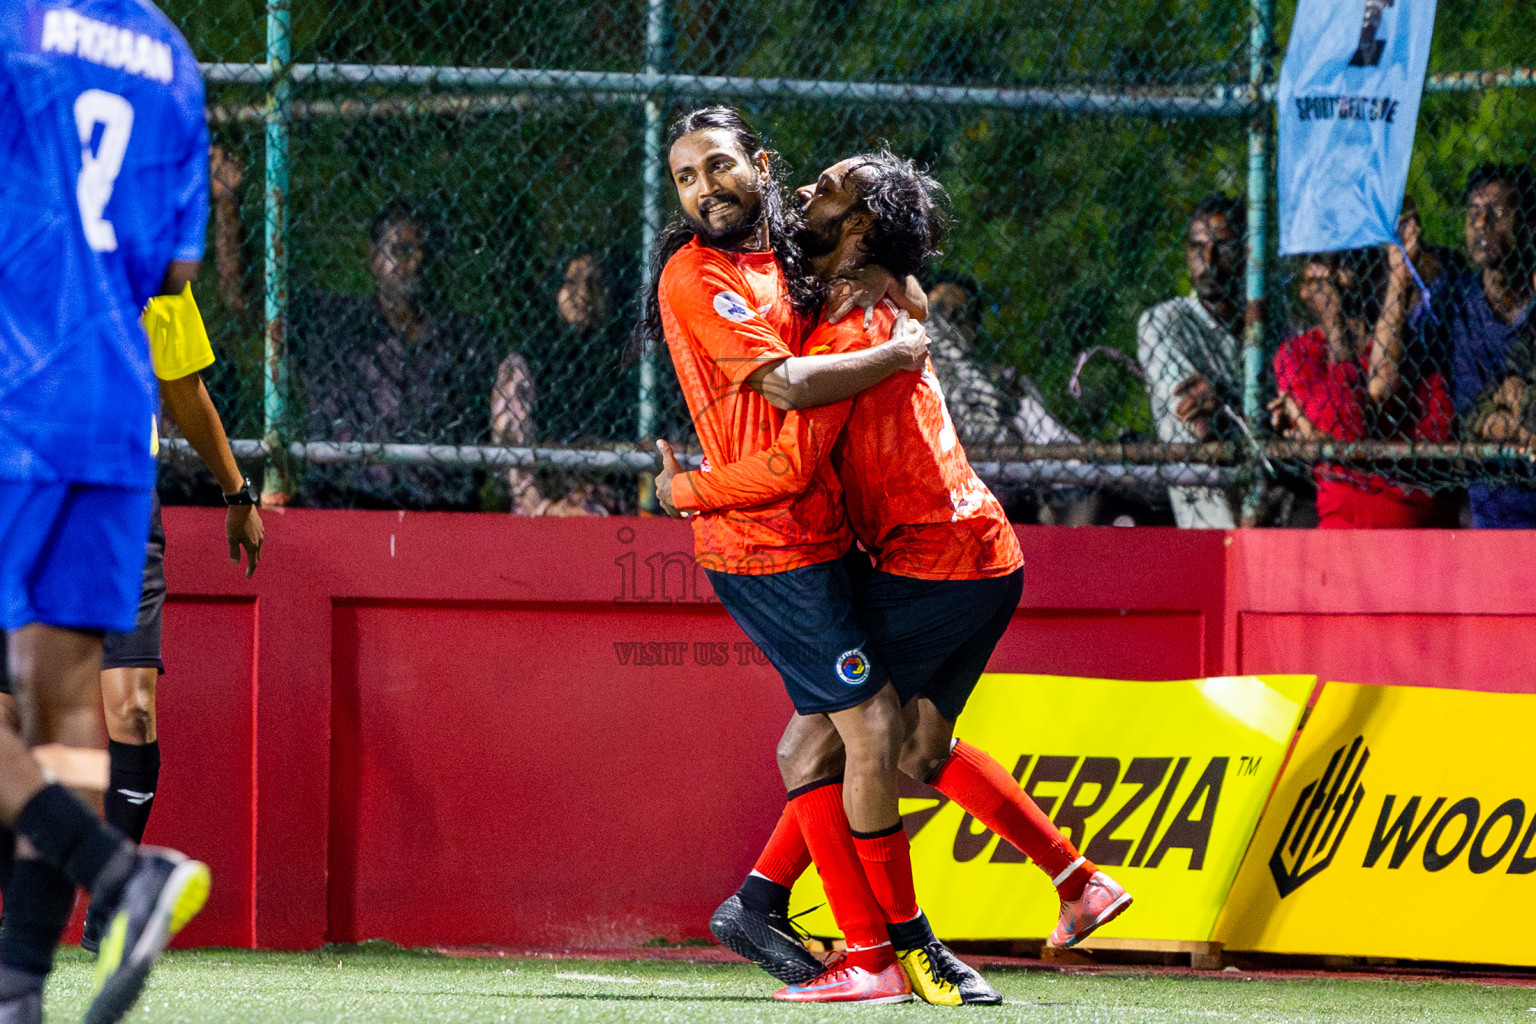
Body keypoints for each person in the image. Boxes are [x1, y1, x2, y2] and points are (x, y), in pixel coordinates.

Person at [654, 150, 1130, 1003]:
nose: (808, 188)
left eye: (829, 186)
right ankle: (1075, 880)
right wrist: (897, 295)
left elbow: (792, 448)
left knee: (819, 741)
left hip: (933, 562)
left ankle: (868, 952)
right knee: (916, 745)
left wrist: (682, 489)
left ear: (861, 226)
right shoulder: (875, 301)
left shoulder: (850, 335)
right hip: (984, 553)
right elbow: (894, 293)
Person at [639, 106, 955, 1005]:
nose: (704, 189)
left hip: (819, 534)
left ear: (760, 165)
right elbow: (783, 383)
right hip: (764, 541)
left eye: (718, 167)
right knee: (871, 730)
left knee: (822, 742)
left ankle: (763, 904)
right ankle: (880, 953)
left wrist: (896, 288)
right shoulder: (696, 279)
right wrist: (899, 354)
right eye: (687, 178)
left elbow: (889, 274)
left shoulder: (784, 254)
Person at [0, 3, 213, 1021]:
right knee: (67, 715)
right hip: (115, 408)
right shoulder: (170, 57)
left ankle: (122, 872)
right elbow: (171, 274)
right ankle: (21, 990)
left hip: (14, 392)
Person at [293, 200, 501, 510]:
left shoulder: (463, 338)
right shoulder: (337, 325)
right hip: (344, 503)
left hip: (437, 511)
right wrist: (229, 205)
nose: (416, 263)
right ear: (374, 257)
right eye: (402, 250)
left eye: (427, 254)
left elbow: (483, 433)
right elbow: (248, 301)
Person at [1269, 249, 1457, 527]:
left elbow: (1435, 448)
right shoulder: (1297, 355)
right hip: (1345, 530)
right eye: (1320, 261)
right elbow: (1348, 433)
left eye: (1343, 259)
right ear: (1304, 286)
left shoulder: (1416, 354)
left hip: (1419, 528)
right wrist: (1336, 331)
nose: (1330, 274)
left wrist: (1318, 437)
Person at [1403, 165, 1536, 527]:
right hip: (1493, 512)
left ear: (1528, 225)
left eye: (1496, 212)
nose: (1481, 224)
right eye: (1473, 213)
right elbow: (1401, 360)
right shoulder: (1456, 299)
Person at [1136, 195, 1246, 528]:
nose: (1209, 261)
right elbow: (1198, 423)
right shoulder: (1165, 321)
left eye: (1222, 247)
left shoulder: (1269, 327)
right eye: (1198, 248)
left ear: (1245, 253)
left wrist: (1224, 402)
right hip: (1208, 514)